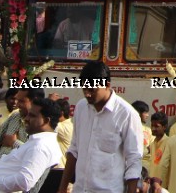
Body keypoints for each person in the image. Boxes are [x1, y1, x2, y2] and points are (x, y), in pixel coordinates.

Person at [56, 61, 143, 193]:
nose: (87, 94)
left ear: (107, 85)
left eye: (92, 89)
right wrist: (62, 188)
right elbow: (74, 150)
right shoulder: (81, 107)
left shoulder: (127, 114)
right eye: (84, 89)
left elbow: (134, 160)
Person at [0, 98, 64, 193]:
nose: (26, 119)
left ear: (46, 121)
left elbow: (25, 181)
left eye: (32, 116)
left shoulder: (40, 146)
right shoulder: (39, 142)